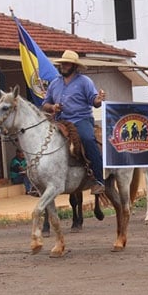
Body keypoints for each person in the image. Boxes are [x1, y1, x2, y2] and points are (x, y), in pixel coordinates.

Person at [42, 50, 107, 195]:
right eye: (62, 64)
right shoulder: (54, 83)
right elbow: (45, 104)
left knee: (88, 139)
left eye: (67, 64)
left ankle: (99, 180)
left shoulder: (85, 81)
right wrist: (53, 107)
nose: (63, 66)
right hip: (60, 121)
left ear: (74, 66)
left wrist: (99, 99)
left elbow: (94, 101)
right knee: (43, 140)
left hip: (80, 119)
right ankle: (42, 180)